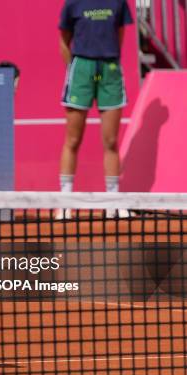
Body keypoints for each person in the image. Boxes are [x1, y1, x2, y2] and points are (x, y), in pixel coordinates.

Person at [56, 0, 133, 219]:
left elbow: (119, 34)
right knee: (72, 140)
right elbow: (64, 40)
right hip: (82, 68)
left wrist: (111, 59)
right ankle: (65, 201)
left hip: (109, 69)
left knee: (110, 141)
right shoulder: (73, 3)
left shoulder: (118, 2)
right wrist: (75, 69)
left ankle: (112, 201)